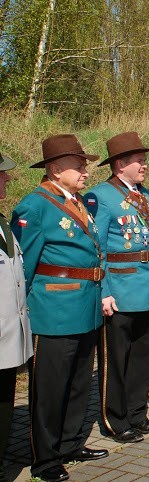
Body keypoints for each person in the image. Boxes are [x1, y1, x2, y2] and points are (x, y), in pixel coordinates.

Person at [12, 134, 108, 481]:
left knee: (79, 382)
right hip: (53, 310)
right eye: (78, 165)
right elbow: (23, 268)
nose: (86, 170)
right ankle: (45, 459)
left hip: (85, 306)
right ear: (55, 169)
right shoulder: (34, 207)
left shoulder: (78, 202)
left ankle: (69, 444)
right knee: (50, 389)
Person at [85, 132, 149, 444]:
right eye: (138, 160)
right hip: (118, 290)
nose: (144, 165)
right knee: (117, 360)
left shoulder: (144, 196)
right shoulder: (100, 196)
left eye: (144, 159)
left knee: (143, 357)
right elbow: (96, 247)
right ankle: (115, 421)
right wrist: (103, 290)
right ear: (120, 164)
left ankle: (137, 413)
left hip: (145, 288)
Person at [0, 153, 32, 482]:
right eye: (1, 175)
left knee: (5, 405)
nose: (7, 179)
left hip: (9, 335)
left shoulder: (1, 222)